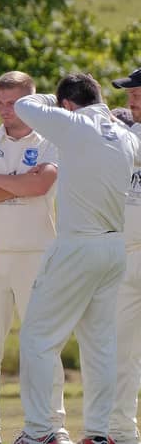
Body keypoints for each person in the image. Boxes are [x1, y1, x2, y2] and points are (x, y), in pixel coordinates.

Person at [12, 73, 141, 444]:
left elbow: (24, 105)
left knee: (38, 337)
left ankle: (38, 432)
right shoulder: (125, 135)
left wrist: (56, 105)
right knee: (101, 347)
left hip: (77, 246)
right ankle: (98, 433)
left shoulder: (74, 122)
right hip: (113, 249)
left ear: (69, 103)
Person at [0, 71, 69, 444]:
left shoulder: (50, 141)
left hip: (37, 255)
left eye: (12, 103)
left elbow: (40, 185)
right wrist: (18, 181)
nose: (4, 111)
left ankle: (52, 426)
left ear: (29, 102)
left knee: (43, 345)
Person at [109, 68, 141, 444]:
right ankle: (122, 431)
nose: (131, 98)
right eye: (130, 93)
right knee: (121, 349)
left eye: (138, 92)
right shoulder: (120, 131)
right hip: (124, 253)